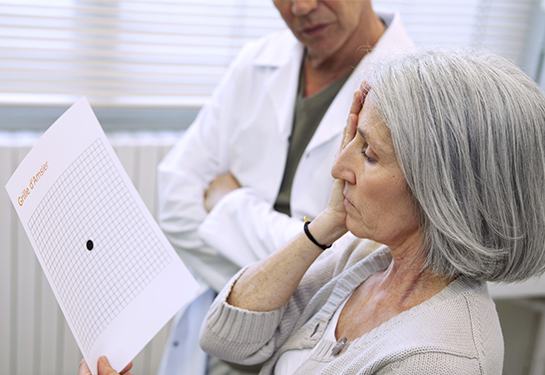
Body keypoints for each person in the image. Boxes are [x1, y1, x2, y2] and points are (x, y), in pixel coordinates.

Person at [196, 50, 545, 374]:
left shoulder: (441, 360)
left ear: (441, 189)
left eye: (369, 154)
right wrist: (327, 224)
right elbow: (226, 339)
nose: (338, 167)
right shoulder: (366, 256)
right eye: (354, 140)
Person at [156, 1, 414, 374]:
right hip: (217, 340)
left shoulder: (417, 96)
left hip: (312, 355)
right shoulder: (255, 62)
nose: (302, 6)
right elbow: (175, 206)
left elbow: (371, 263)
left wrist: (230, 203)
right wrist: (310, 253)